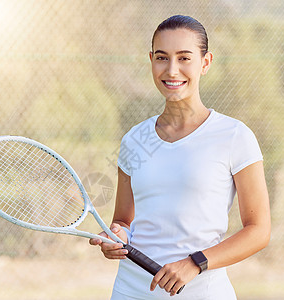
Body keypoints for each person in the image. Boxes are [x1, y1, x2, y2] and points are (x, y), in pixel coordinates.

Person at [90, 15, 271, 299]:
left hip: (203, 292)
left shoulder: (235, 135)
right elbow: (123, 221)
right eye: (162, 58)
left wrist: (194, 263)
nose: (172, 70)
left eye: (184, 58)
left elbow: (259, 230)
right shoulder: (134, 140)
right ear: (151, 60)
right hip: (131, 290)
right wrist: (117, 237)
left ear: (205, 62)